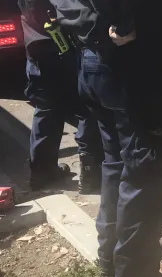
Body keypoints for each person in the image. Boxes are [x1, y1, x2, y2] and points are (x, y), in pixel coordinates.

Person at [52, 0, 162, 277]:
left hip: (99, 63)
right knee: (149, 177)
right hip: (135, 69)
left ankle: (110, 266)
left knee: (118, 168)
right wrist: (126, 24)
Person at [17, 0, 102, 193]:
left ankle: (41, 172)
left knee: (46, 110)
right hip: (64, 48)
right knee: (85, 108)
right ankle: (90, 174)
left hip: (38, 50)